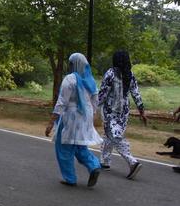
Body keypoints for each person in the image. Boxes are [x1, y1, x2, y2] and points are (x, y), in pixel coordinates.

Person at [45, 53, 102, 187]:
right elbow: (95, 101)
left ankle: (70, 178)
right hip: (85, 117)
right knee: (79, 145)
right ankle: (94, 165)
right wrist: (91, 117)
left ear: (73, 64)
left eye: (70, 63)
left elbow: (62, 102)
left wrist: (51, 121)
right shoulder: (90, 79)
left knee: (63, 146)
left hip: (71, 116)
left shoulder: (70, 79)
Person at [98, 50, 147, 180]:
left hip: (111, 109)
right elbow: (136, 93)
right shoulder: (129, 74)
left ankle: (132, 162)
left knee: (115, 136)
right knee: (109, 134)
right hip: (124, 111)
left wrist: (93, 106)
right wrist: (142, 111)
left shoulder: (111, 73)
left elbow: (103, 93)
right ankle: (105, 161)